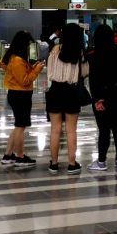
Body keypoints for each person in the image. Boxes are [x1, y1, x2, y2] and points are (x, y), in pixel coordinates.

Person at [44, 23, 89, 174]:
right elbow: (84, 73)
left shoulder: (55, 50)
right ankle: (71, 163)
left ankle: (54, 164)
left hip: (55, 90)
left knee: (55, 130)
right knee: (71, 131)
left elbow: (49, 72)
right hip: (72, 92)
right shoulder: (80, 53)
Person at [0, 31, 45, 168]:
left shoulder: (13, 58)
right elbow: (24, 80)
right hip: (21, 95)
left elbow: (20, 74)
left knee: (18, 126)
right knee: (20, 127)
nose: (28, 47)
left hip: (16, 94)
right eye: (28, 44)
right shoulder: (18, 60)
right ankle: (20, 157)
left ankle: (8, 155)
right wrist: (36, 70)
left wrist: (31, 67)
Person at [87, 24, 117, 172]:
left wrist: (96, 99)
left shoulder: (93, 56)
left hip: (102, 98)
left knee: (104, 130)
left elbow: (93, 80)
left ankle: (102, 162)